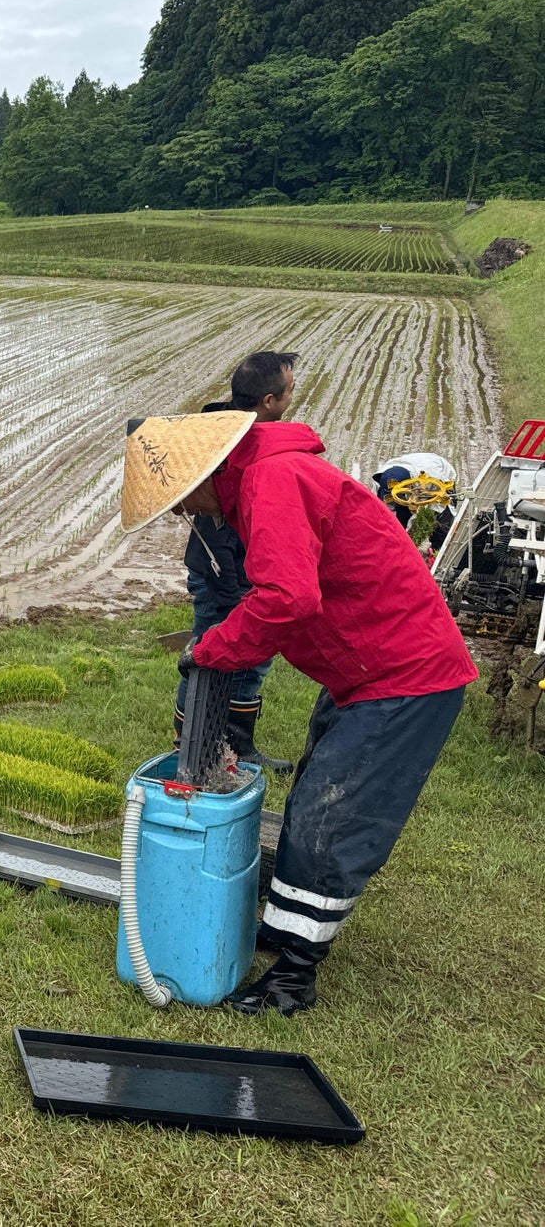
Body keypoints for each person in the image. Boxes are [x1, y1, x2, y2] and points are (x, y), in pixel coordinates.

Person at [121, 409, 475, 1015]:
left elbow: (287, 598)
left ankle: (294, 976)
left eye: (183, 500)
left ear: (207, 472)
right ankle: (284, 930)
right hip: (363, 670)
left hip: (403, 675)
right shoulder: (262, 477)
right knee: (315, 795)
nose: (187, 514)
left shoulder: (272, 481)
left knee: (328, 822)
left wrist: (215, 650)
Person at [174, 351, 299, 774]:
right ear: (268, 400)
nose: (291, 395)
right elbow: (216, 526)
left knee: (253, 657)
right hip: (223, 566)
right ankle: (188, 744)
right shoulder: (221, 444)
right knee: (207, 653)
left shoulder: (233, 428)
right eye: (289, 389)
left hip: (247, 565)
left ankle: (235, 743)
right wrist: (235, 591)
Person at [372, 452, 457, 556]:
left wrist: (415, 534)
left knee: (441, 525)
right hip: (410, 476)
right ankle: (397, 544)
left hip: (440, 477)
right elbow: (380, 511)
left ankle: (436, 554)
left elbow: (436, 509)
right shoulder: (381, 478)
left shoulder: (432, 480)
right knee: (399, 519)